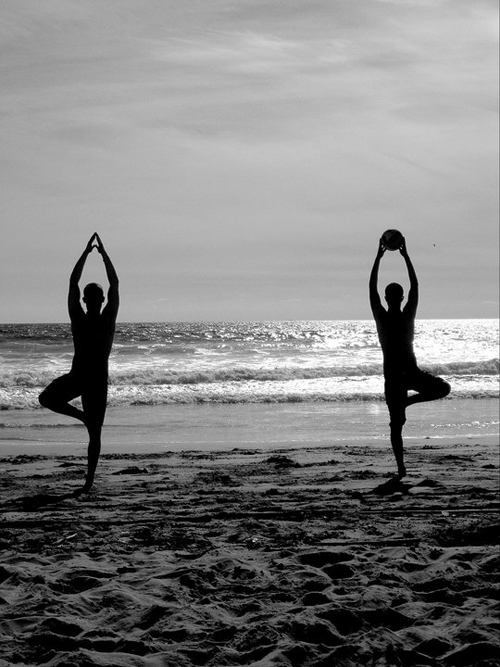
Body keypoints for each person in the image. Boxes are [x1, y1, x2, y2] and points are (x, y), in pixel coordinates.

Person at [39, 233, 119, 493]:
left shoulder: (79, 317)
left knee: (48, 399)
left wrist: (86, 253)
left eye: (88, 298)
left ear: (86, 301)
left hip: (84, 379)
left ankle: (89, 477)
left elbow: (73, 281)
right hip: (92, 379)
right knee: (94, 432)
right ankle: (89, 480)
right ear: (101, 300)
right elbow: (114, 283)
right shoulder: (107, 317)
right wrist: (103, 255)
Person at [369, 235, 450, 477]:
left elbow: (372, 287)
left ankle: (401, 468)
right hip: (397, 377)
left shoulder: (394, 316)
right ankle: (401, 468)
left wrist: (379, 258)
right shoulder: (394, 317)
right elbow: (414, 286)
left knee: (399, 423)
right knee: (397, 425)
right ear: (397, 298)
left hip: (404, 375)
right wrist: (405, 257)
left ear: (391, 298)